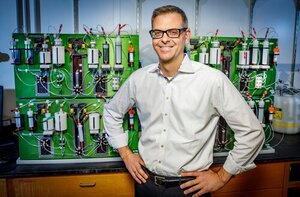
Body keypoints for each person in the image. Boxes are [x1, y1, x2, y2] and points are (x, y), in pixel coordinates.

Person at [103, 5, 265, 197]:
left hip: (189, 188)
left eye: (173, 32)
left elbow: (252, 132)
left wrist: (221, 177)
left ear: (186, 35)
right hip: (145, 183)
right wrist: (126, 154)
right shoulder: (139, 79)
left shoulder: (212, 80)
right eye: (158, 32)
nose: (164, 39)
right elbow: (111, 112)